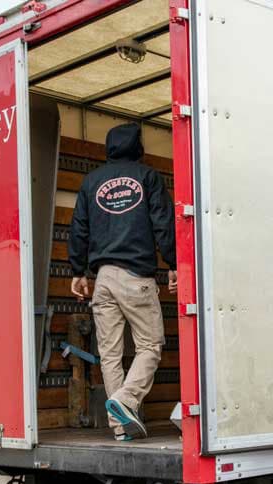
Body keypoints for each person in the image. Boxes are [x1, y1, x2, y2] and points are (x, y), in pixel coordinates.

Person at [68, 122, 177, 441]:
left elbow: (79, 229)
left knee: (111, 355)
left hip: (102, 280)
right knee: (150, 346)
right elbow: (164, 223)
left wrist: (77, 272)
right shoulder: (148, 177)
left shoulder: (91, 182)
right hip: (136, 278)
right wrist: (173, 263)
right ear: (138, 147)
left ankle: (120, 428)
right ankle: (124, 402)